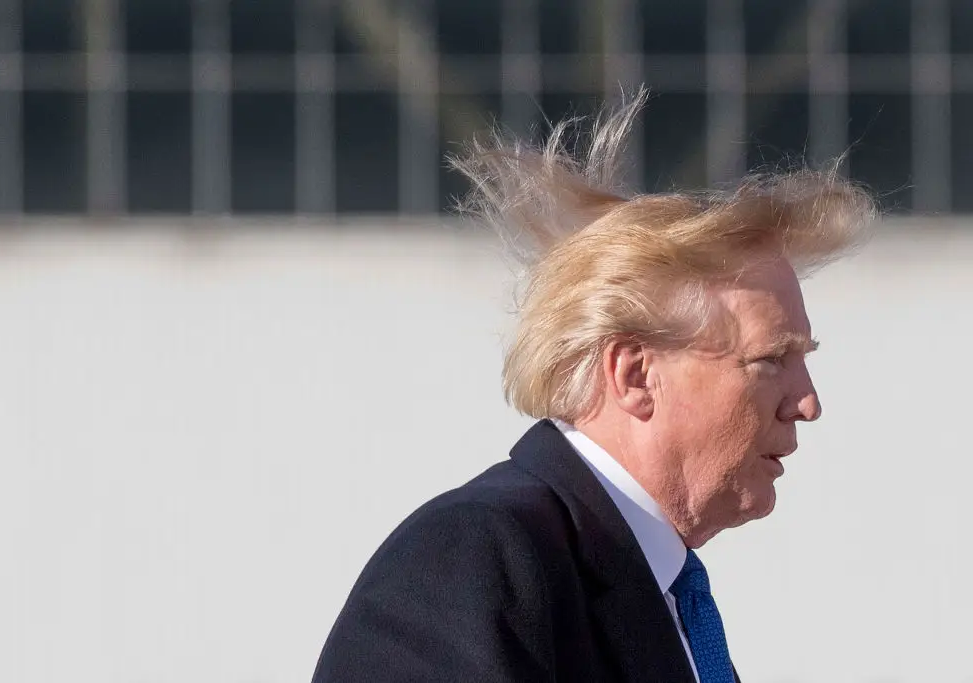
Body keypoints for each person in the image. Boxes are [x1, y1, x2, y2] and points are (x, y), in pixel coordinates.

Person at [311, 93, 875, 683]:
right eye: (771, 360)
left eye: (802, 359)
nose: (808, 403)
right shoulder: (474, 559)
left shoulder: (663, 595)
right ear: (634, 376)